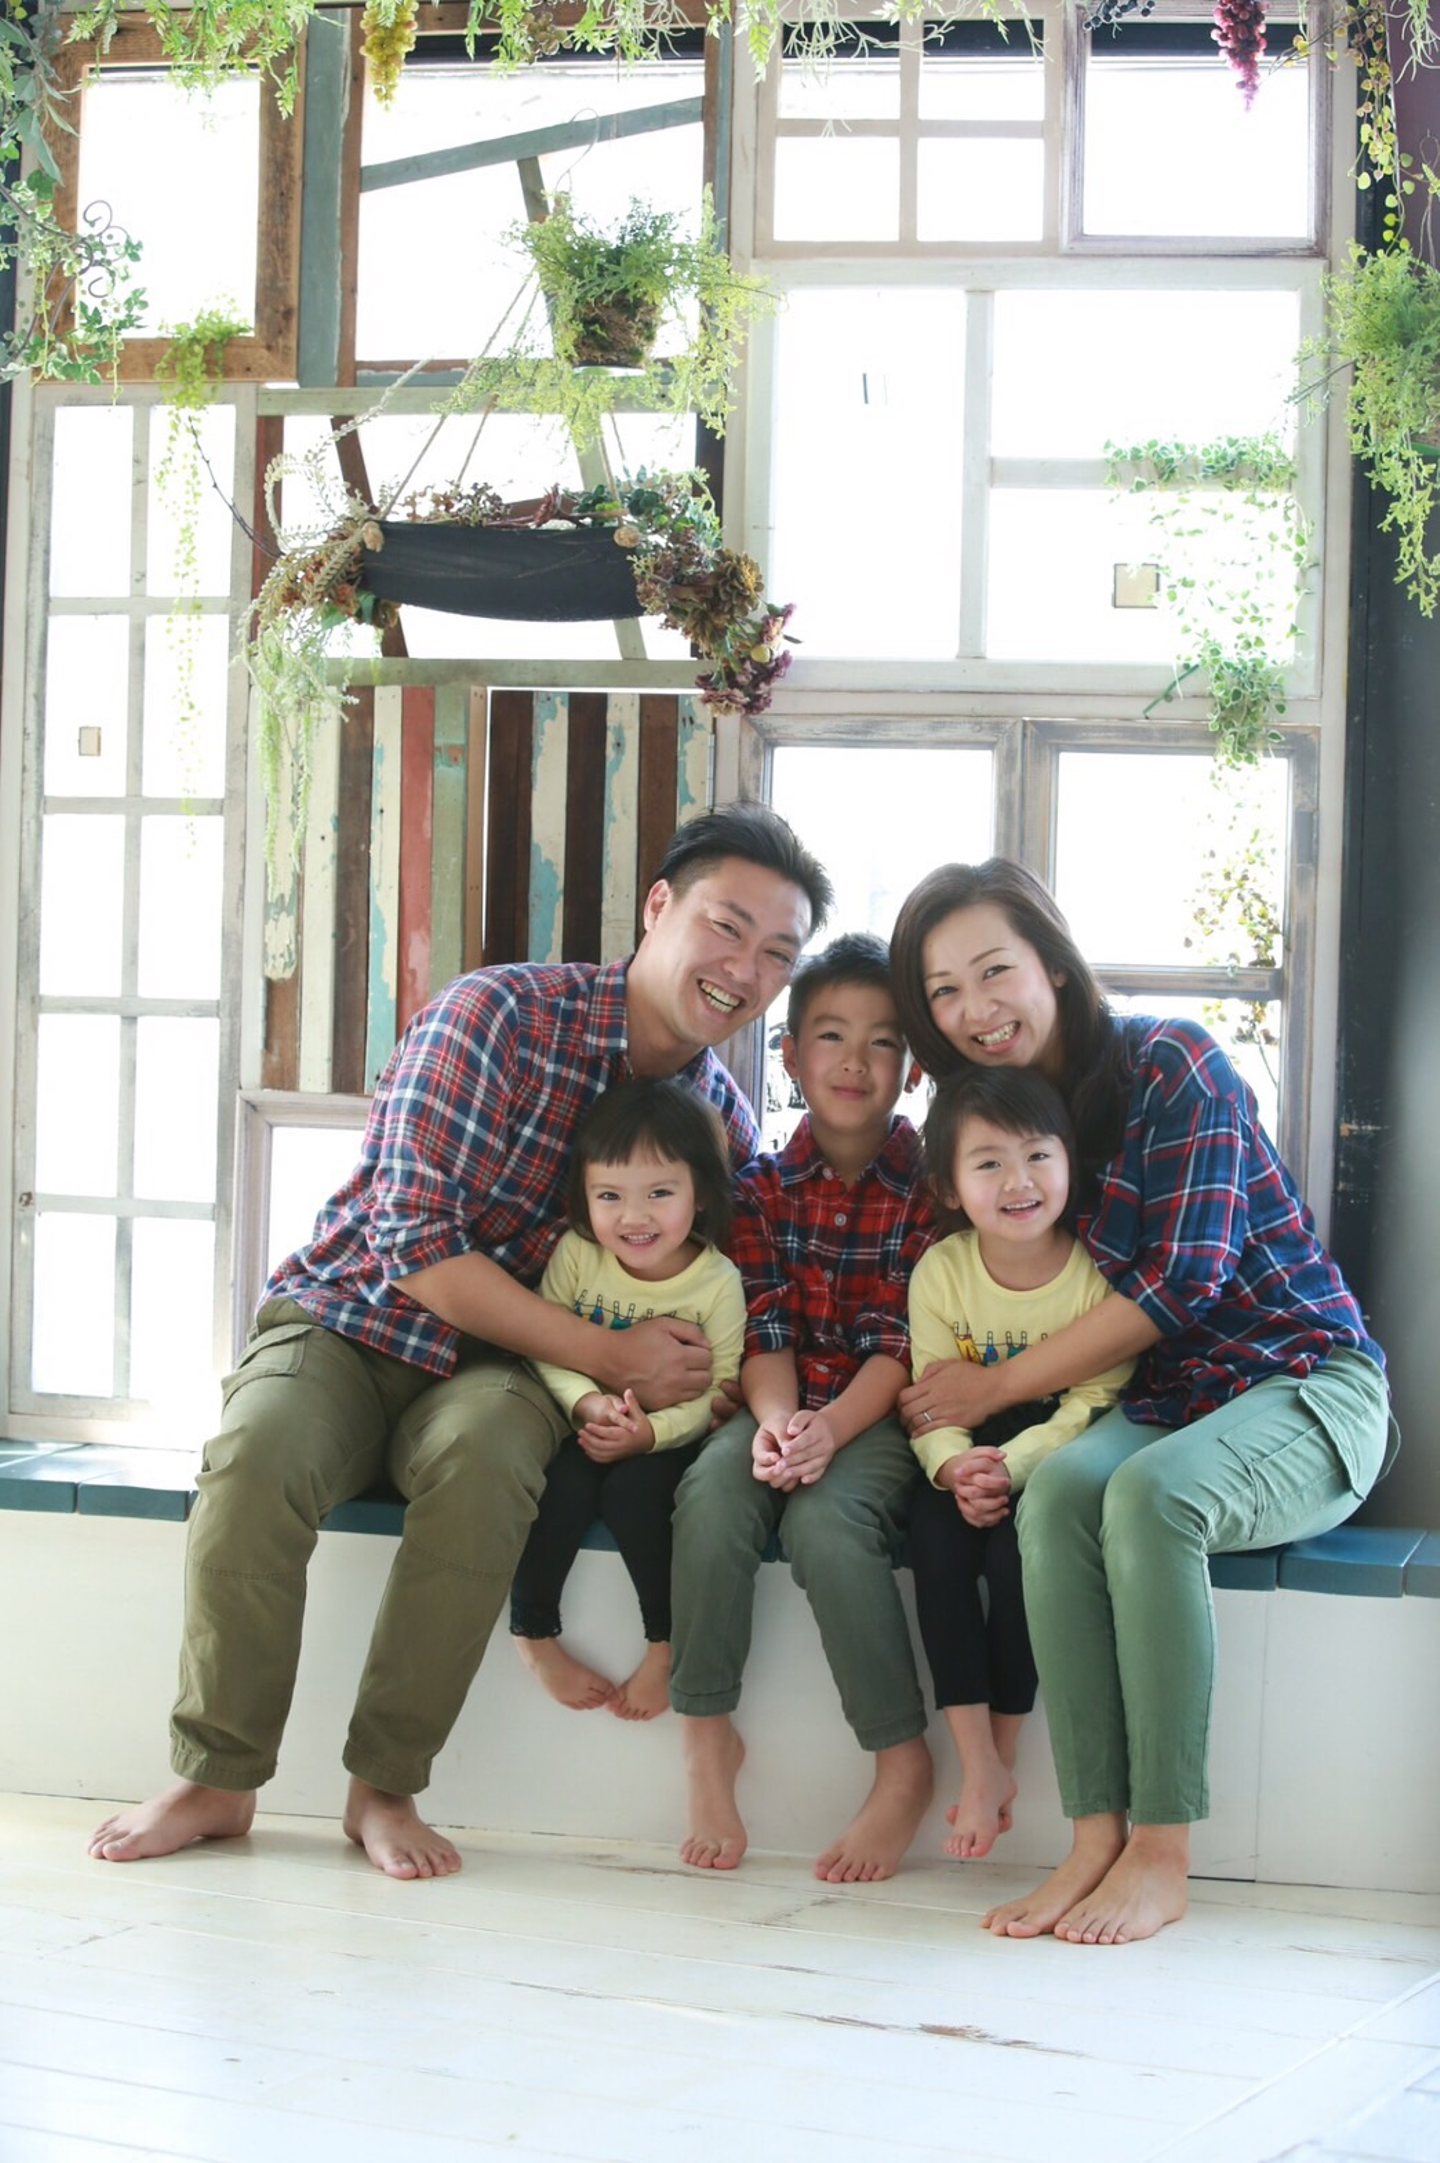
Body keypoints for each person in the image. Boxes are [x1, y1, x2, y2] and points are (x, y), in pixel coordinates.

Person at [88, 802, 832, 1880]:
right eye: (727, 926)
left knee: (486, 1466)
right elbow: (414, 1243)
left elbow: (721, 1305)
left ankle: (385, 1786)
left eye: (777, 954)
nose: (744, 969)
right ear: (659, 906)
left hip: (511, 1373)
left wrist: (702, 1389)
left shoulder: (720, 1121)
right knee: (256, 1455)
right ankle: (217, 1776)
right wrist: (612, 1352)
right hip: (352, 1316)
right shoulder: (498, 1016)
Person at [890, 858, 1398, 1945]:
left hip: (1305, 1380)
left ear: (1053, 966)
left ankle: (1163, 1851)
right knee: (1057, 1493)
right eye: (944, 991)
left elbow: (1184, 1285)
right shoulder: (1000, 1120)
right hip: (1167, 1399)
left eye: (994, 970)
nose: (975, 1008)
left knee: (1149, 1498)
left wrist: (997, 1385)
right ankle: (1094, 1838)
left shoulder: (1172, 1062)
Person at [669, 931, 936, 1883]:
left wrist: (830, 1430)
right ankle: (707, 1737)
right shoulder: (759, 1188)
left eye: (882, 1041)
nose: (855, 1061)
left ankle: (901, 1761)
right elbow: (765, 1327)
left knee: (826, 1523)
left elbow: (903, 1345)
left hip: (880, 1410)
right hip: (781, 1394)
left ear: (912, 1067)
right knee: (713, 1491)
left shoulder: (932, 1189)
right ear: (788, 1055)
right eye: (830, 1036)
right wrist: (781, 1422)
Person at [906, 1066, 1133, 1862]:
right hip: (965, 1445)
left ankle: (1000, 1754)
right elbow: (929, 1395)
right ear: (949, 1185)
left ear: (1071, 1161)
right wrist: (952, 1469)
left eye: (1038, 1154)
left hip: (1051, 1447)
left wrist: (1012, 1462)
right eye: (989, 1162)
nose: (1019, 1181)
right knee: (935, 1549)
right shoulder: (942, 1271)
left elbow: (1093, 1399)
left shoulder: (1096, 1273)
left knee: (1018, 1562)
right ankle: (977, 1760)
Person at [509, 1078, 745, 1722]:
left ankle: (663, 1644)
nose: (634, 1218)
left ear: (700, 1195)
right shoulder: (578, 1255)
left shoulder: (717, 1282)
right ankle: (533, 1630)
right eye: (610, 1196)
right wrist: (588, 1405)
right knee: (557, 1484)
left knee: (638, 1495)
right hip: (586, 1423)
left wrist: (651, 1434)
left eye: (659, 1194)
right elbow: (546, 1347)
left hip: (667, 1438)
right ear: (584, 1196)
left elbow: (719, 1391)